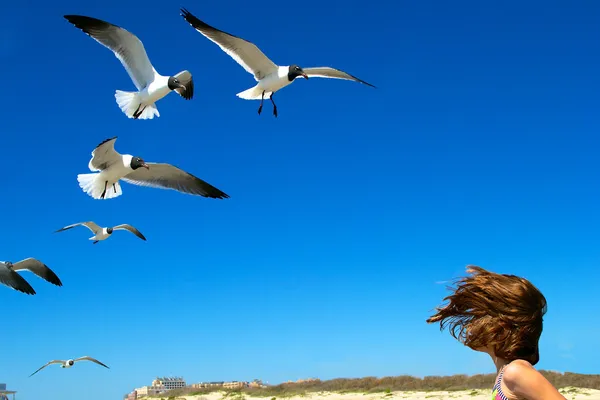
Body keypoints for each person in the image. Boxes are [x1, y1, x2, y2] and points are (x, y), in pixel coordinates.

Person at [426, 265, 567, 400]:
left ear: (500, 327)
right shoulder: (504, 373)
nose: (470, 326)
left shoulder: (515, 372)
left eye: (478, 318)